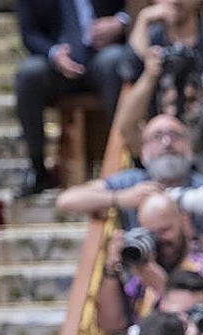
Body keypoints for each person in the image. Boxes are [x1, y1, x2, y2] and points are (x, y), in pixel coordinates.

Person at [56, 114, 203, 276]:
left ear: (189, 147)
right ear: (143, 152)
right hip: (138, 287)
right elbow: (66, 200)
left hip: (193, 287)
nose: (167, 143)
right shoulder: (131, 183)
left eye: (175, 136)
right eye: (157, 137)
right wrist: (121, 198)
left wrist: (194, 239)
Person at [14, 0, 131, 194]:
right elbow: (29, 35)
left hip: (100, 56)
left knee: (115, 60)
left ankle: (124, 158)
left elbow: (135, 8)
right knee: (28, 73)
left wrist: (120, 22)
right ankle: (38, 168)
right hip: (55, 64)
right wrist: (54, 54)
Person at [99, 192, 203, 335]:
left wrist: (163, 288)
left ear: (184, 221)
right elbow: (113, 324)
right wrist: (111, 270)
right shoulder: (143, 275)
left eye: (164, 230)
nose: (159, 240)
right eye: (150, 233)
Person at [115, 0, 203, 151]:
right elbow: (126, 125)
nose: (175, 1)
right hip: (163, 133)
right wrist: (143, 20)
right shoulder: (152, 41)